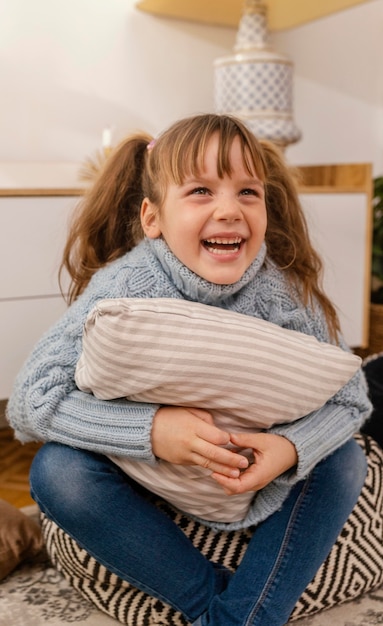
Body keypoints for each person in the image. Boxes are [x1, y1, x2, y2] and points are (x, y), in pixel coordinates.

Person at [6, 113, 371, 626]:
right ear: (152, 218)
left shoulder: (280, 292)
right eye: (201, 191)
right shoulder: (124, 286)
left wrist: (289, 450)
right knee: (57, 471)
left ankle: (236, 617)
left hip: (254, 478)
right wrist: (152, 431)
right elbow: (29, 401)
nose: (230, 210)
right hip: (151, 480)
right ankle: (228, 609)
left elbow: (352, 397)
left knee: (346, 459)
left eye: (248, 192)